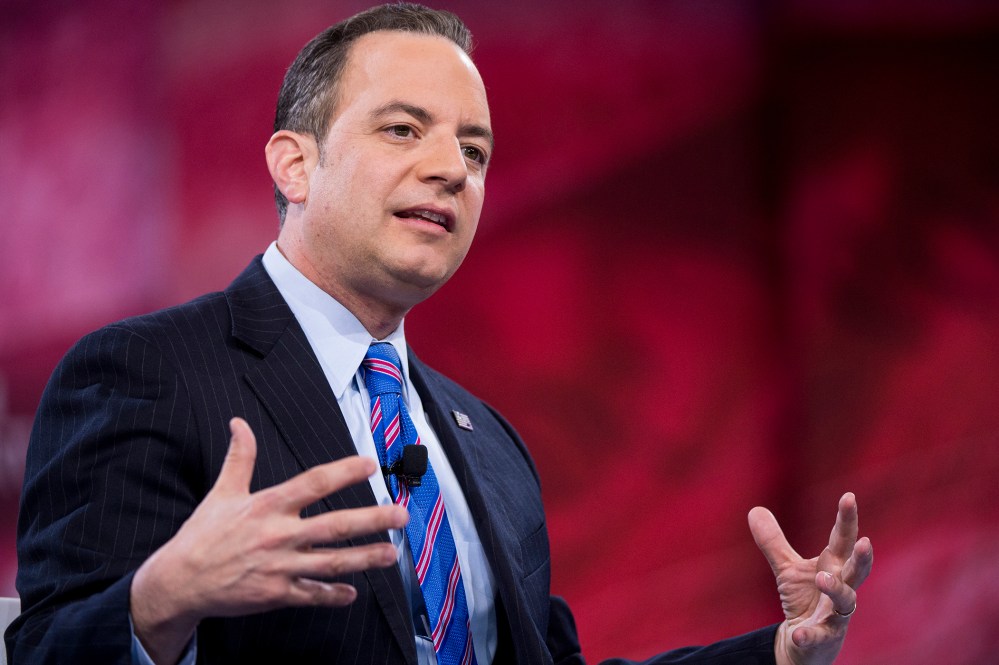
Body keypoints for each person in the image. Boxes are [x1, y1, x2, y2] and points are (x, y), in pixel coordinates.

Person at [6, 4, 873, 665]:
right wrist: (160, 599)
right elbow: (46, 646)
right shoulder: (146, 371)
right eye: (402, 129)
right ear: (294, 163)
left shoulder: (488, 443)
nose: (451, 168)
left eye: (476, 149)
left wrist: (778, 651)